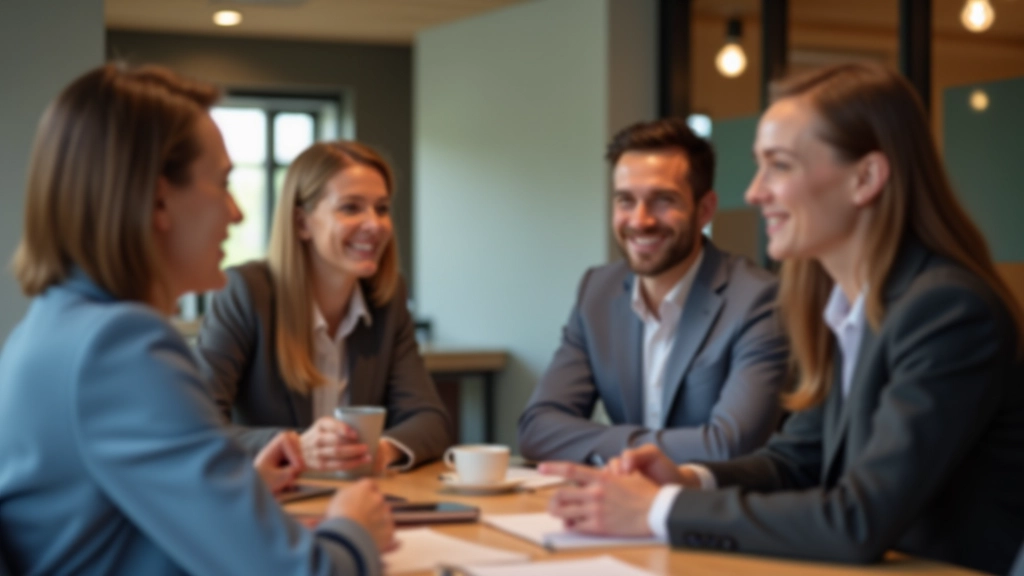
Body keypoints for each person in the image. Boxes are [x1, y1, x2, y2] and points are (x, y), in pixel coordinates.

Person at [542, 62, 1024, 575]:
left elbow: (858, 520)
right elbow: (795, 462)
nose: (754, 192)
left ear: (865, 178)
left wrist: (659, 510)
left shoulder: (946, 311)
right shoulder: (848, 308)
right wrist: (687, 479)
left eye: (780, 166)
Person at [0, 63, 393, 575]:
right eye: (223, 183)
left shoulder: (49, 327)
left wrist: (237, 493)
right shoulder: (121, 346)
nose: (237, 212)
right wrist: (354, 529)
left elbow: (111, 525)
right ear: (159, 199)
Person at [518, 118, 788, 465]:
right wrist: (646, 449)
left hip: (712, 499)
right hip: (621, 496)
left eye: (663, 200)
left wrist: (605, 445)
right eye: (625, 200)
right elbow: (536, 428)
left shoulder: (758, 300)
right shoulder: (597, 292)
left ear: (705, 209)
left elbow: (730, 446)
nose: (639, 220)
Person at [195, 140, 451, 473]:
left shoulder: (387, 300)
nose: (374, 224)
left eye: (382, 208)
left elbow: (430, 419)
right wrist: (296, 447)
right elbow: (195, 425)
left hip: (360, 493)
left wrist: (380, 451)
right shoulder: (245, 292)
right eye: (351, 208)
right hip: (274, 495)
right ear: (302, 223)